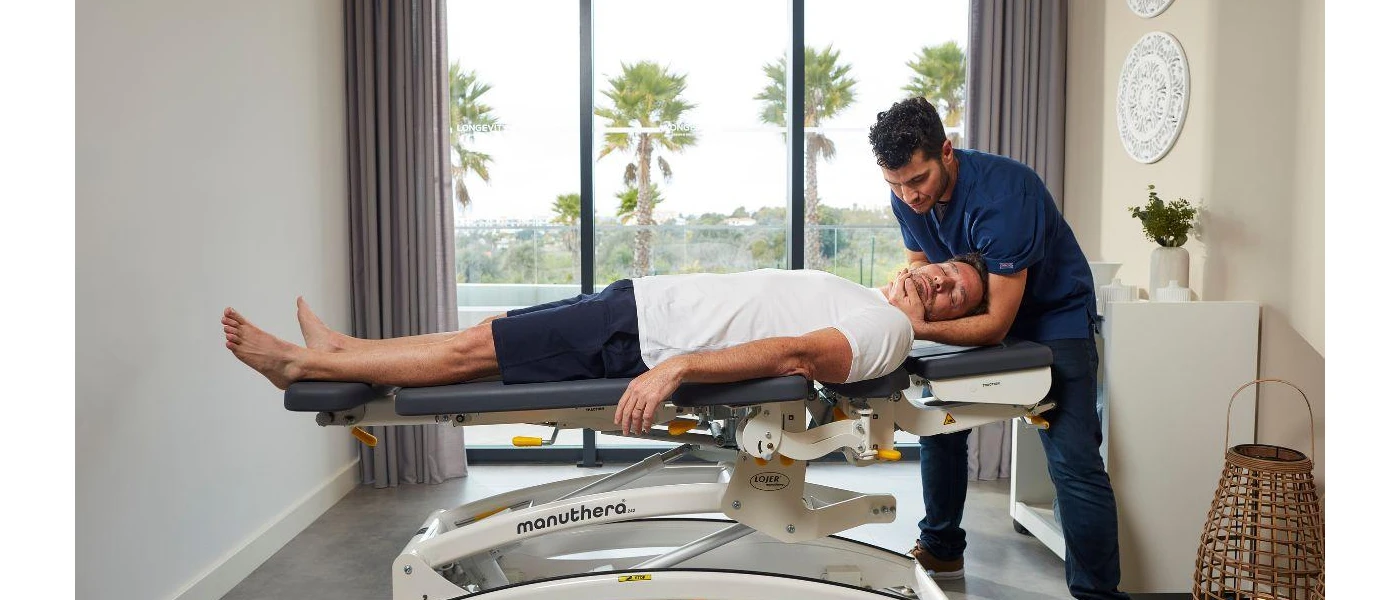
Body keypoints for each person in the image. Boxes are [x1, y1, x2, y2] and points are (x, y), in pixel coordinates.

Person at [223, 256, 987, 435]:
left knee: (467, 355)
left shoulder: (886, 327)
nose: (940, 285)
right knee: (479, 338)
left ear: (947, 317)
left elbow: (799, 354)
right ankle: (343, 350)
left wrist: (678, 365)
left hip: (642, 338)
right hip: (637, 306)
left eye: (955, 294)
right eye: (942, 272)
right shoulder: (865, 294)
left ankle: (299, 363)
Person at [868, 97, 1128, 600]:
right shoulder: (905, 195)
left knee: (1073, 458)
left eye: (916, 180)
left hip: (1052, 318)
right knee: (941, 425)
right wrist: (913, 313)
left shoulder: (1006, 192)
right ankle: (942, 545)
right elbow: (923, 278)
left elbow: (996, 324)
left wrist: (917, 327)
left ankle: (1099, 594)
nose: (907, 194)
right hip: (976, 312)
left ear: (946, 152)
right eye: (895, 185)